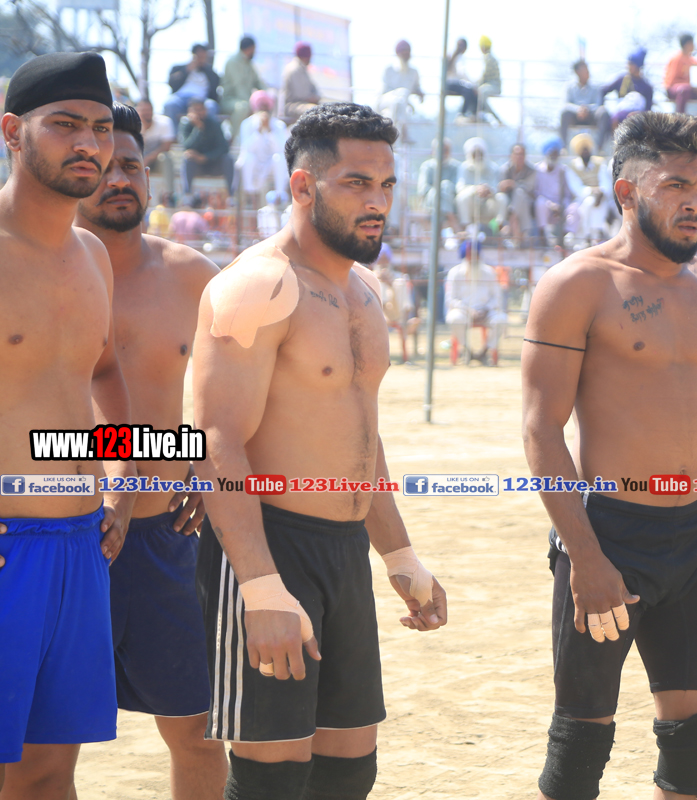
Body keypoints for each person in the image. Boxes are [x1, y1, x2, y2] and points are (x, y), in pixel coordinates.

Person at [192, 103, 447, 800]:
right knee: (272, 780)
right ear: (303, 186)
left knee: (347, 773)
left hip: (344, 550)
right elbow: (215, 441)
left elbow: (359, 435)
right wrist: (259, 585)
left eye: (387, 185)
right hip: (271, 542)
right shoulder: (258, 284)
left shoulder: (364, 292)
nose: (378, 202)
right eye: (357, 183)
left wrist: (400, 555)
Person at [520, 110, 697, 800]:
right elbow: (541, 430)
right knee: (579, 751)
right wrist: (585, 557)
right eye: (675, 186)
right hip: (608, 533)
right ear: (626, 193)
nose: (696, 203)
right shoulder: (576, 285)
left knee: (693, 758)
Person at [74, 102, 227, 800]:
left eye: (132, 166)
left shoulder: (195, 277)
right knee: (42, 742)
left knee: (198, 731)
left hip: (167, 537)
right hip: (62, 534)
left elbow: (240, 396)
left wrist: (204, 460)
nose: (119, 180)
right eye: (105, 168)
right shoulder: (37, 274)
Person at [0, 50, 136, 797]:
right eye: (65, 125)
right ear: (12, 131)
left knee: (52, 771)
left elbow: (106, 373)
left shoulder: (91, 255)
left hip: (82, 545)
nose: (89, 143)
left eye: (101, 128)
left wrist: (123, 482)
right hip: (6, 547)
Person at [445, 239, 507, 364]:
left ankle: (484, 352)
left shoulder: (489, 272)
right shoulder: (455, 273)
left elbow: (497, 297)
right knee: (454, 318)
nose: (473, 259)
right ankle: (468, 351)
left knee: (501, 319)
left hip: (486, 312)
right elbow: (450, 299)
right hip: (464, 311)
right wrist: (468, 310)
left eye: (475, 255)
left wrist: (486, 309)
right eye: (470, 255)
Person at [236, 90, 289, 201]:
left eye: (266, 107)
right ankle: (249, 194)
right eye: (261, 107)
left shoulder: (279, 125)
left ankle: (279, 194)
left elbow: (281, 149)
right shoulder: (247, 124)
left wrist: (269, 131)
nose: (264, 110)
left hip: (269, 164)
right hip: (253, 163)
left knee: (279, 158)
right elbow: (247, 148)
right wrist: (259, 131)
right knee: (248, 157)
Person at [178, 98, 233, 194]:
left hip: (214, 163)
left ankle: (231, 195)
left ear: (205, 110)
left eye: (201, 109)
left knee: (228, 159)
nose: (199, 113)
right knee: (187, 159)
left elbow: (224, 147)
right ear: (190, 111)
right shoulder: (185, 124)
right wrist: (198, 129)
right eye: (196, 110)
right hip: (196, 165)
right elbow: (187, 146)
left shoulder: (214, 123)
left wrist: (205, 157)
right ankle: (187, 195)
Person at [565, 133, 611, 243]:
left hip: (601, 198)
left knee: (596, 205)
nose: (585, 152)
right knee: (588, 203)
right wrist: (592, 191)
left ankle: (596, 236)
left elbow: (606, 183)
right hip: (582, 199)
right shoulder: (572, 166)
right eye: (583, 150)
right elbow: (576, 188)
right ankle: (586, 236)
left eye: (587, 149)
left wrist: (600, 192)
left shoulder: (599, 163)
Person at [561, 60, 613, 152]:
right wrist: (578, 109)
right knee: (565, 113)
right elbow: (566, 104)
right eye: (584, 69)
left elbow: (598, 104)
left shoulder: (596, 87)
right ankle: (563, 147)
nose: (588, 71)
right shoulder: (569, 87)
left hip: (591, 115)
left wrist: (586, 109)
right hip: (575, 115)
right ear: (577, 72)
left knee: (603, 113)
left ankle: (599, 148)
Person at [222, 35, 266, 139]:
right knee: (243, 107)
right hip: (230, 101)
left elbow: (258, 82)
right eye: (253, 49)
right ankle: (234, 138)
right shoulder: (232, 62)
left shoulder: (249, 64)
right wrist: (253, 105)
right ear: (249, 48)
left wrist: (268, 94)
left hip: (246, 101)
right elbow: (239, 87)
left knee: (265, 104)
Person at [165, 44, 220, 126]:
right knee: (170, 104)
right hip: (181, 98)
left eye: (203, 56)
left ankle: (207, 132)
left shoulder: (210, 73)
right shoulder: (179, 68)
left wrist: (205, 68)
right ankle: (174, 133)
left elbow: (215, 88)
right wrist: (187, 69)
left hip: (202, 99)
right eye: (199, 56)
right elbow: (172, 83)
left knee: (211, 106)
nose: (201, 59)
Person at [600, 49, 655, 127]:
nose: (628, 66)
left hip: (638, 118)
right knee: (614, 119)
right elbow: (604, 91)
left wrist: (639, 114)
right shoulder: (621, 80)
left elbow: (648, 109)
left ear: (638, 66)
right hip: (620, 114)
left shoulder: (647, 87)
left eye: (631, 64)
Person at [535, 137, 573, 245]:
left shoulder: (563, 170)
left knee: (573, 208)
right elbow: (536, 193)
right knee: (540, 203)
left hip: (560, 204)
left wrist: (560, 205)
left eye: (556, 153)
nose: (553, 156)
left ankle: (567, 239)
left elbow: (567, 194)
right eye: (551, 153)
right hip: (544, 203)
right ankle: (543, 236)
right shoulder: (537, 169)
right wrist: (550, 205)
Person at [379, 39, 424, 132]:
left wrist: (419, 92)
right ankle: (401, 132)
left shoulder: (414, 72)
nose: (406, 53)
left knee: (402, 101)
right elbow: (385, 91)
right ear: (398, 52)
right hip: (388, 104)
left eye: (408, 50)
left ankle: (401, 133)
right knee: (399, 100)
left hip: (404, 106)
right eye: (403, 50)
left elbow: (416, 87)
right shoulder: (389, 70)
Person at [456, 137, 499, 233]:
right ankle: (467, 228)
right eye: (475, 154)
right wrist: (475, 189)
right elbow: (460, 187)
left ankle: (500, 228)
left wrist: (487, 190)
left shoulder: (492, 167)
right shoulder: (464, 168)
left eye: (480, 153)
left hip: (488, 203)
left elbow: (497, 187)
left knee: (502, 198)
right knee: (461, 197)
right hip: (472, 203)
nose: (478, 157)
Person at [664, 33, 697, 116]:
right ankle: (680, 118)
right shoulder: (676, 59)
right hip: (676, 90)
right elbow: (672, 81)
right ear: (687, 44)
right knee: (685, 90)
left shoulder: (691, 59)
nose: (694, 45)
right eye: (692, 43)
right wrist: (691, 86)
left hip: (691, 89)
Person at [497, 143, 537, 243]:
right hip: (508, 200)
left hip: (526, 201)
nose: (519, 157)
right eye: (517, 154)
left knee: (520, 194)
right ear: (511, 155)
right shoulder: (504, 169)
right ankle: (521, 234)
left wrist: (513, 184)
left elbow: (528, 187)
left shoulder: (531, 170)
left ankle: (511, 223)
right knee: (515, 196)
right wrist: (503, 186)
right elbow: (499, 187)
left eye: (522, 154)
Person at [419, 137, 461, 232]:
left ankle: (437, 229)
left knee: (446, 185)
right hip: (431, 200)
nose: (442, 153)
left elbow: (457, 188)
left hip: (452, 201)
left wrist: (443, 189)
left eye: (445, 150)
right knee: (442, 188)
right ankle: (451, 220)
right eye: (440, 150)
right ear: (433, 151)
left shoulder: (456, 166)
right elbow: (423, 188)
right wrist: (438, 191)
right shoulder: (427, 166)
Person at [138, 98, 176, 199]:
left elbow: (167, 146)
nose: (147, 113)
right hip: (139, 159)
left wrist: (149, 158)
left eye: (149, 109)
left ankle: (170, 195)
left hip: (156, 160)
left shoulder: (164, 122)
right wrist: (143, 128)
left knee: (166, 157)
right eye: (144, 110)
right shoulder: (133, 124)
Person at [279, 42, 321, 124]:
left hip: (301, 104)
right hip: (291, 106)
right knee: (315, 110)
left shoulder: (302, 68)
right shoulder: (294, 69)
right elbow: (301, 95)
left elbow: (313, 88)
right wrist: (314, 98)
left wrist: (317, 97)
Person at [444, 37, 479, 119]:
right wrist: (473, 85)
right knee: (468, 91)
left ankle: (472, 113)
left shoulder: (454, 56)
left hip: (452, 84)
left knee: (469, 91)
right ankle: (463, 113)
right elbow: (462, 73)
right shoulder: (456, 57)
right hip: (451, 84)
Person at [477, 36, 502, 122]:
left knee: (481, 91)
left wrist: (476, 85)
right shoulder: (489, 57)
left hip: (494, 86)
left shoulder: (489, 58)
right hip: (491, 84)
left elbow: (485, 75)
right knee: (480, 91)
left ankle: (495, 117)